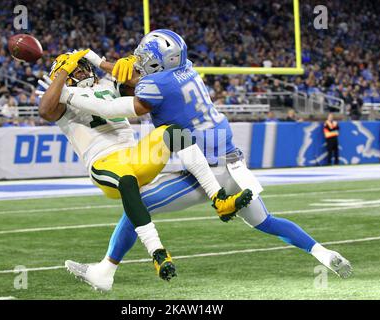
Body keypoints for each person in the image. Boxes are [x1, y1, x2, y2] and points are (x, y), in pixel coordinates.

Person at [58, 29, 352, 291]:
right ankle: (322, 253)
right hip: (235, 163)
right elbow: (141, 76)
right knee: (266, 221)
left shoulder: (154, 86)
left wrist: (70, 96)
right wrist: (98, 61)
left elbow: (111, 108)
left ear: (159, 61)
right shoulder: (187, 69)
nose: (139, 60)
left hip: (210, 169)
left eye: (145, 57)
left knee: (137, 203)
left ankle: (105, 272)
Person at [37, 50, 251, 285]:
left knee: (173, 131)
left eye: (82, 66)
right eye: (75, 69)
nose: (82, 70)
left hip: (134, 154)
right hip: (105, 162)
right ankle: (158, 253)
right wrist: (61, 75)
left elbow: (137, 86)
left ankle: (220, 200)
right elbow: (46, 111)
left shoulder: (106, 86)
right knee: (127, 181)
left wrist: (124, 64)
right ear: (64, 74)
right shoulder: (64, 95)